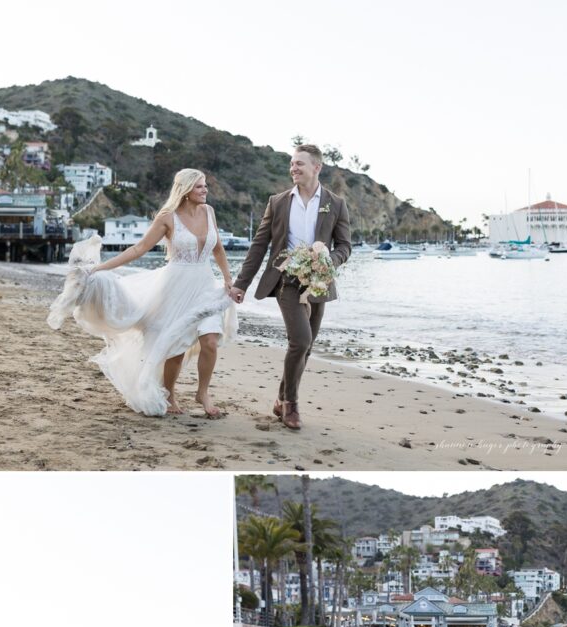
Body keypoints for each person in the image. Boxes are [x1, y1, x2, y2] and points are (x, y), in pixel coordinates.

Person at [48, 168, 238, 417]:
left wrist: (227, 279)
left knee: (210, 341)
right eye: (200, 186)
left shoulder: (209, 212)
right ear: (186, 190)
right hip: (175, 287)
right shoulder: (168, 217)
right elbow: (139, 249)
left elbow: (218, 250)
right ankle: (169, 394)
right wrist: (100, 267)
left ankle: (203, 392)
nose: (205, 190)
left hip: (204, 284)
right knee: (175, 346)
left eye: (205, 186)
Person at [229, 144, 352, 431]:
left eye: (299, 164)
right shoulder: (278, 202)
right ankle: (290, 405)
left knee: (306, 347)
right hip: (286, 280)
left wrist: (328, 258)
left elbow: (345, 246)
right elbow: (259, 245)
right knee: (300, 341)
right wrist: (241, 284)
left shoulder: (336, 203)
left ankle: (281, 398)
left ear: (316, 168)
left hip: (319, 281)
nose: (293, 168)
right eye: (292, 164)